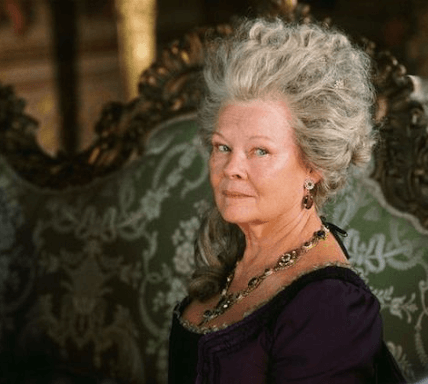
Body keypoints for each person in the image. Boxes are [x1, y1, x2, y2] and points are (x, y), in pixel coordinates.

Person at [168, 18, 407, 383]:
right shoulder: (232, 251)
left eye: (260, 151)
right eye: (222, 147)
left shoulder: (330, 306)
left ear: (314, 165)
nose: (231, 167)